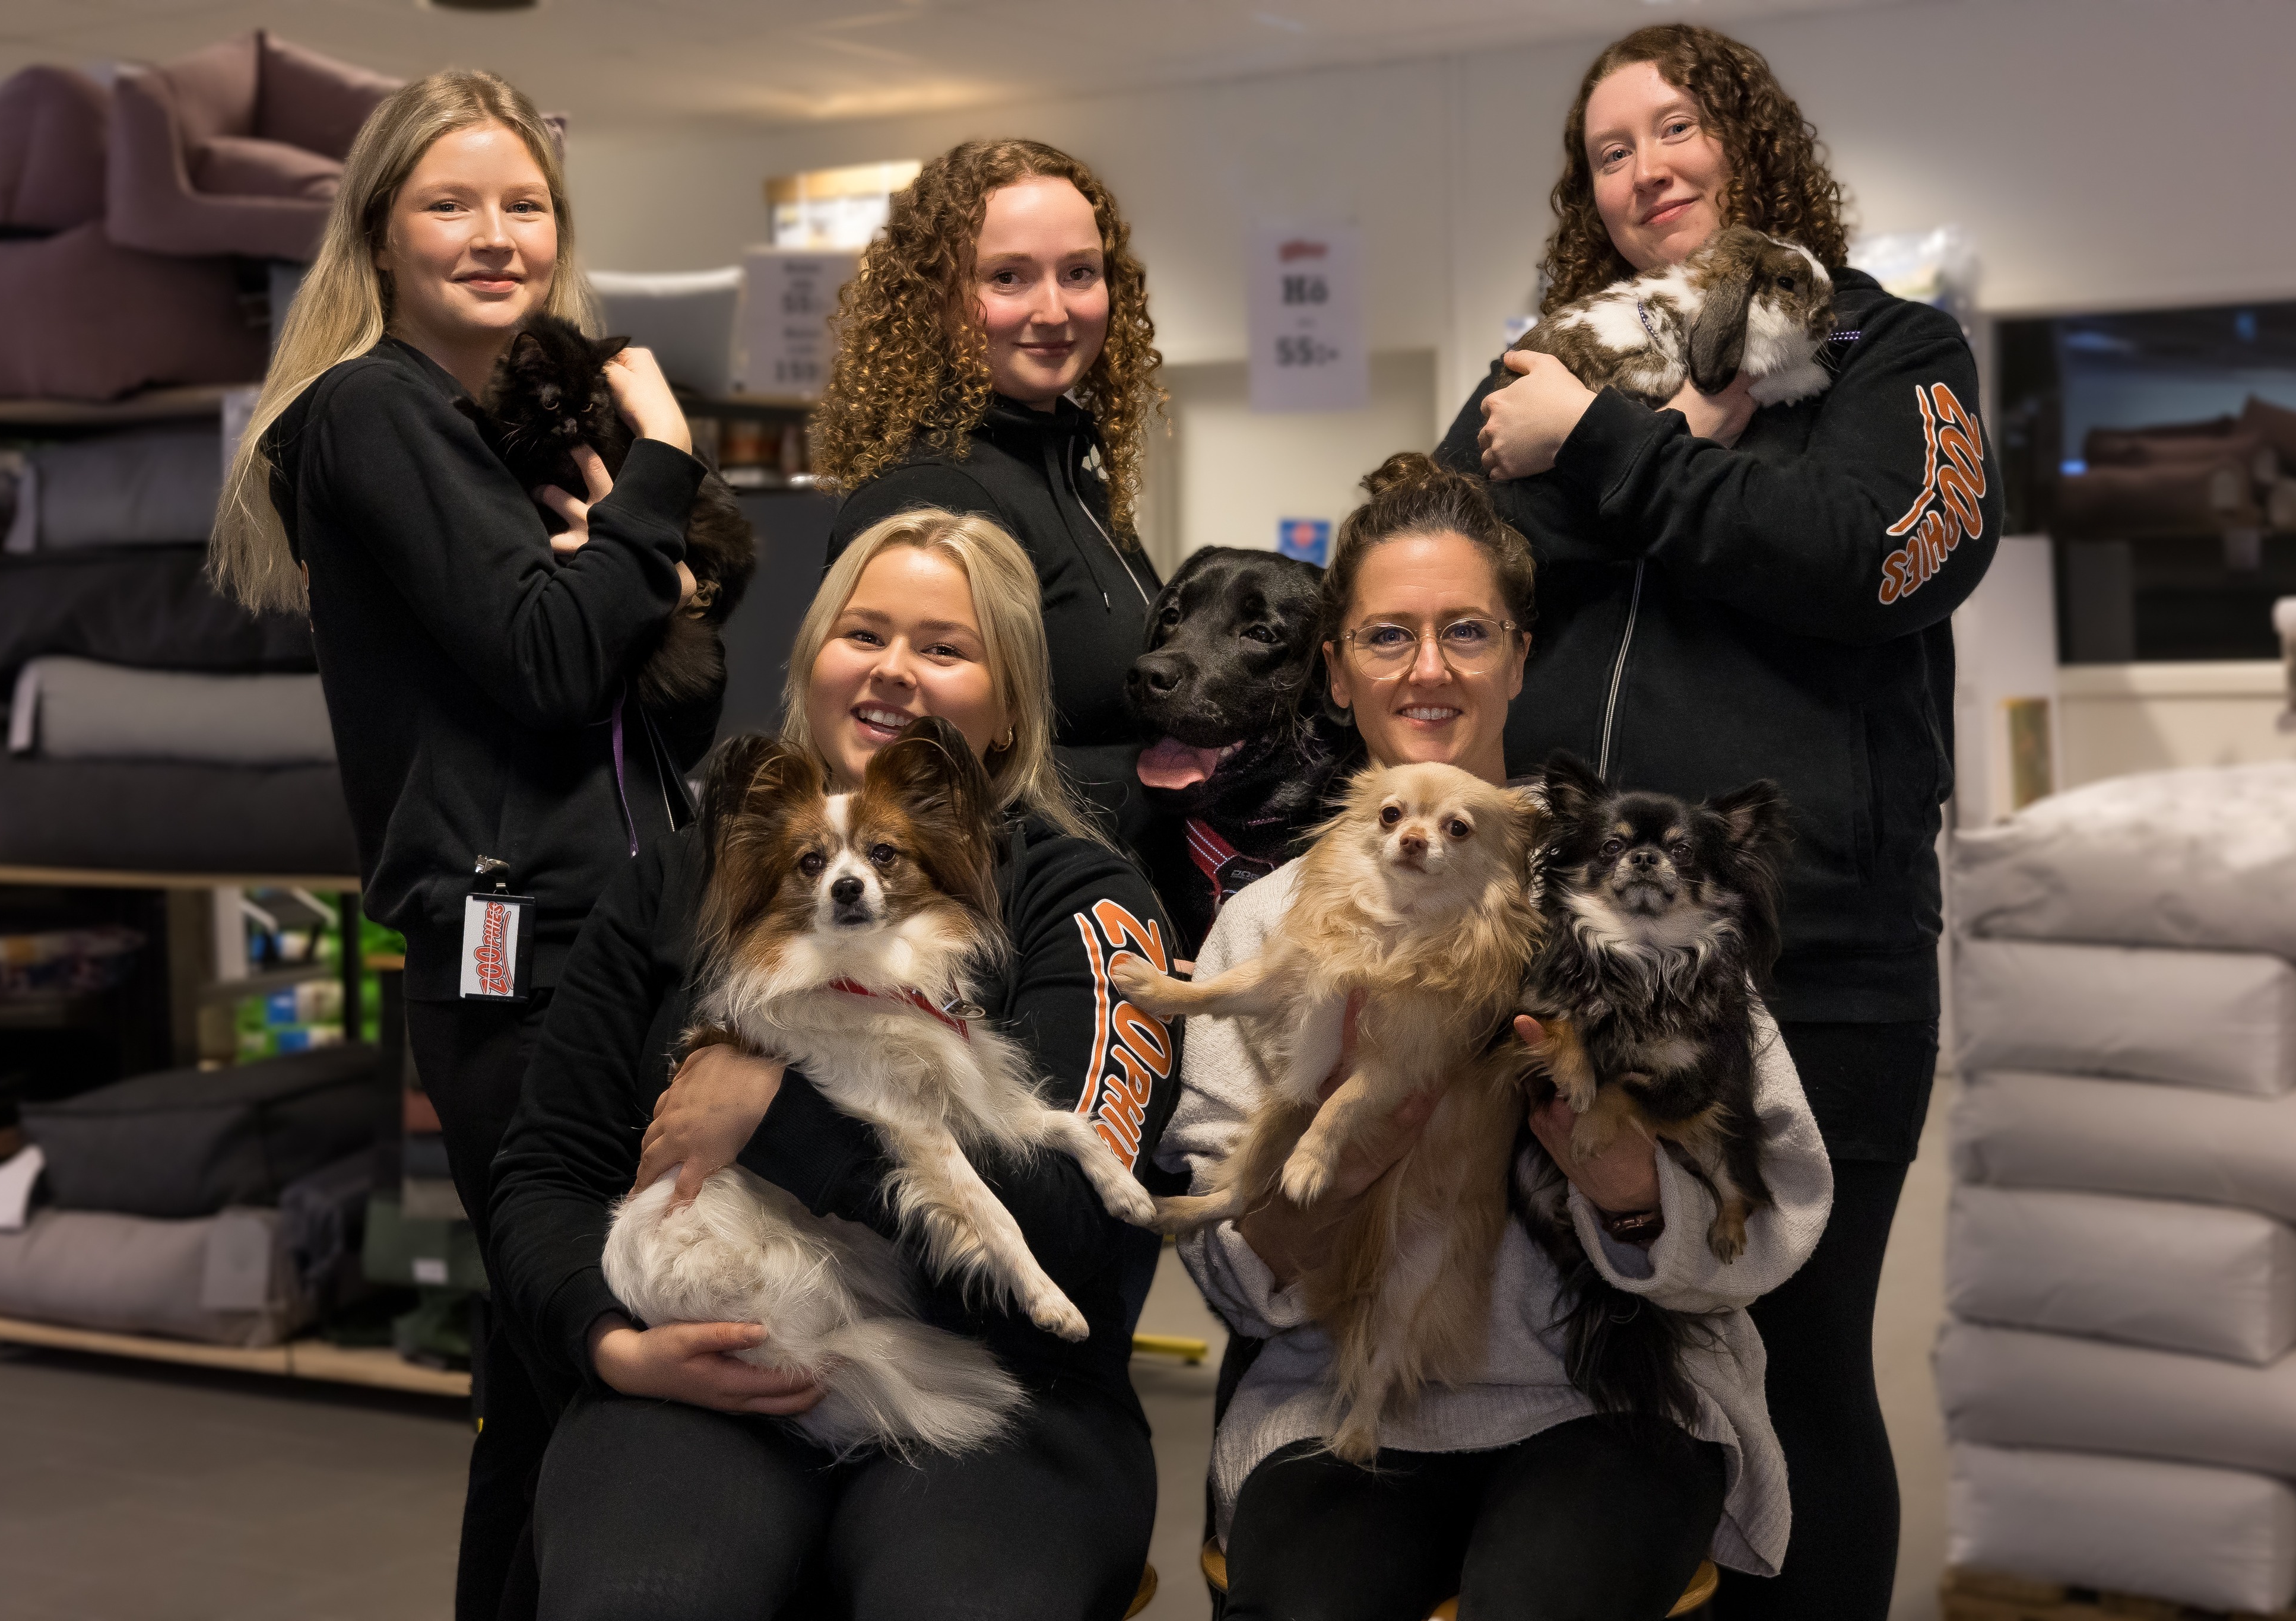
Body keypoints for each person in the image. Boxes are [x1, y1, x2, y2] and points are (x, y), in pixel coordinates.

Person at [1435, 24, 1999, 1616]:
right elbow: (1432, 550)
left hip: (1815, 955)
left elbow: (1884, 553)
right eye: (1609, 151)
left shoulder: (1891, 349)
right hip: (1566, 957)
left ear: (1747, 137)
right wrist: (1658, 438)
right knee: (1598, 1371)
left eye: (1674, 127)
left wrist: (1607, 453)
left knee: (1800, 1374)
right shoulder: (1550, 365)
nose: (1646, 170)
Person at [1160, 453, 1832, 1621]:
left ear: (1520, 657)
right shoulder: (1263, 925)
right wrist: (1351, 1151)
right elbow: (1233, 1262)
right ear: (1334, 671)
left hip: (1612, 1397)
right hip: (1343, 1397)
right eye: (1386, 636)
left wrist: (1630, 1195)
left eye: (1465, 632)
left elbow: (1770, 1190)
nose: (1427, 668)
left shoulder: (1637, 881)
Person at [209, 71, 714, 1620]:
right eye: (452, 203)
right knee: (586, 1353)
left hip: (610, 931)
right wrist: (661, 470)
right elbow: (550, 660)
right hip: (522, 954)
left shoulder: (497, 433)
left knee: (545, 1368)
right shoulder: (374, 410)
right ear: (380, 231)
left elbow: (650, 701)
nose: (497, 236)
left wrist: (645, 584)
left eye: (525, 205)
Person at [489, 508, 1180, 1621]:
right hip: (711, 1356)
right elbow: (545, 1173)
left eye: (944, 648)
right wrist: (611, 1344)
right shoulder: (676, 880)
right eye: (863, 633)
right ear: (810, 662)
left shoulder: (1084, 899)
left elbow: (1077, 1230)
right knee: (645, 1598)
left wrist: (776, 1114)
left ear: (1009, 709)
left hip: (1007, 1371)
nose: (893, 669)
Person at [810, 139, 1166, 825]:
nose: (1054, 310)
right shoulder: (932, 496)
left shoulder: (1079, 481)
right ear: (934, 300)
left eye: (1080, 273)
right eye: (1008, 277)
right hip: (1013, 887)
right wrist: (1157, 776)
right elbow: (910, 775)